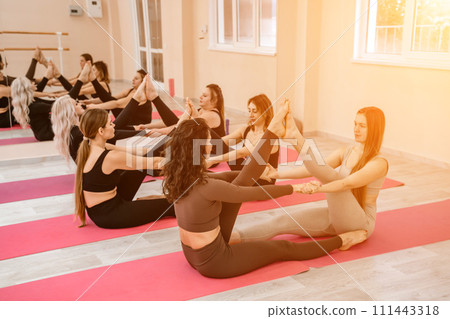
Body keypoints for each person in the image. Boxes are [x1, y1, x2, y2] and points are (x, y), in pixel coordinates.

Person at [161, 102, 367, 278]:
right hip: (215, 262)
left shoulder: (181, 177)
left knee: (241, 181)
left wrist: (258, 175)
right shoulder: (208, 186)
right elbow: (251, 193)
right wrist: (295, 188)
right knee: (282, 248)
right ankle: (343, 240)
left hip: (191, 255)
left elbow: (230, 179)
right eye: (207, 141)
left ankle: (272, 131)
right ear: (197, 147)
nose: (209, 145)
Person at [232, 106, 388, 244]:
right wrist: (278, 174)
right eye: (355, 124)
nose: (356, 129)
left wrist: (316, 189)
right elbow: (314, 169)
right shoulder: (347, 150)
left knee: (333, 177)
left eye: (362, 126)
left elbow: (346, 184)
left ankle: (295, 137)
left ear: (374, 129)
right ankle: (232, 238)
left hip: (360, 222)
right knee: (283, 220)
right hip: (336, 217)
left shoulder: (379, 163)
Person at [74, 85, 177, 229]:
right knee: (172, 205)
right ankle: (163, 197)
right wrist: (182, 161)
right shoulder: (110, 157)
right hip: (110, 214)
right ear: (101, 131)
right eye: (110, 124)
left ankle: (180, 128)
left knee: (142, 164)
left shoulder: (89, 146)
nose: (114, 126)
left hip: (102, 208)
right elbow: (154, 163)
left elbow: (136, 153)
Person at [206, 93, 280, 182]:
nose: (250, 115)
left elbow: (241, 153)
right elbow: (220, 142)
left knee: (222, 178)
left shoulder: (270, 137)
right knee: (213, 176)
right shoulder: (245, 130)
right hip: (245, 172)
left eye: (254, 111)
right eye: (249, 111)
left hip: (263, 180)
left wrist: (212, 160)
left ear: (265, 113)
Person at [11, 61, 87, 141]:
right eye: (30, 82)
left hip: (43, 133)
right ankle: (81, 78)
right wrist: (80, 80)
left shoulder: (30, 103)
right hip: (47, 134)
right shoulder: (34, 106)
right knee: (67, 104)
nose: (33, 82)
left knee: (66, 102)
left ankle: (51, 75)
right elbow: (61, 105)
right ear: (28, 89)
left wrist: (47, 76)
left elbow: (39, 89)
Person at [85, 69, 151, 125]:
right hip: (130, 118)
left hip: (137, 123)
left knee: (113, 104)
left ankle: (94, 81)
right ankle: (94, 81)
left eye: (136, 78)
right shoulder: (131, 90)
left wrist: (95, 106)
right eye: (133, 77)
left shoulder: (139, 94)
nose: (133, 79)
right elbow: (112, 98)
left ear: (143, 82)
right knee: (110, 99)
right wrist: (90, 101)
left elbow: (117, 104)